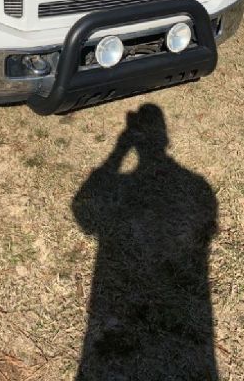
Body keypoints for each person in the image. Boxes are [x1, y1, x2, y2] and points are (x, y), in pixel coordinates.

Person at [72, 104, 219, 380]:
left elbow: (85, 218)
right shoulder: (199, 186)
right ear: (165, 139)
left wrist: (118, 150)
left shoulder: (193, 187)